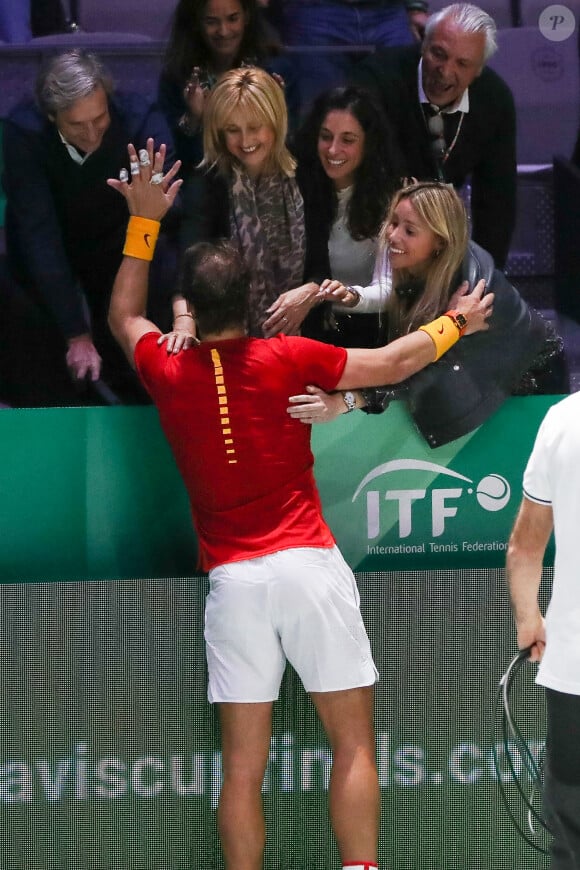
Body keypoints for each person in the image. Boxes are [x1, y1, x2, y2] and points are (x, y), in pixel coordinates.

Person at [106, 138, 492, 869]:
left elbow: (126, 313)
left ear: (187, 307)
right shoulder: (286, 358)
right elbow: (393, 361)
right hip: (309, 569)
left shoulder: (167, 365)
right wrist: (454, 324)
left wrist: (144, 222)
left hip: (236, 586)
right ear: (248, 299)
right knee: (351, 743)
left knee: (242, 770)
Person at [288, 181, 564, 448]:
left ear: (439, 242)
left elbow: (414, 367)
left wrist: (345, 402)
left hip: (532, 381)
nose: (393, 236)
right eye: (393, 223)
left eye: (410, 231)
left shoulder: (472, 297)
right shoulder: (421, 264)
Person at [0, 49, 178, 406]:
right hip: (47, 255)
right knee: (43, 361)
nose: (93, 133)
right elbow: (39, 234)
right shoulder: (22, 133)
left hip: (119, 247)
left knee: (133, 356)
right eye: (77, 125)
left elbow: (164, 208)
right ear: (51, 116)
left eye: (99, 119)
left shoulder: (140, 120)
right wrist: (74, 332)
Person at [353, 3, 516, 268]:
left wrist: (486, 278)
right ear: (423, 45)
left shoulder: (495, 100)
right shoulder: (375, 80)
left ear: (478, 70)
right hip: (371, 226)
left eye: (462, 63)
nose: (446, 71)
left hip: (437, 234)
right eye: (438, 54)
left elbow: (497, 202)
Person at [179, 66, 328, 340]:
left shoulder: (307, 171)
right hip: (229, 339)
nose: (245, 141)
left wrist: (308, 293)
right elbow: (188, 267)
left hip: (301, 334)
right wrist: (183, 325)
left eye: (255, 127)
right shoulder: (207, 181)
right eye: (233, 130)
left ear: (275, 121)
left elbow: (321, 265)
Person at [157, 0, 297, 250]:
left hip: (266, 179)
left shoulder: (275, 66)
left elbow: (291, 147)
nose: (223, 31)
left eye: (232, 18)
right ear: (197, 22)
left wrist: (275, 112)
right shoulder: (178, 75)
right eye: (212, 21)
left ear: (246, 16)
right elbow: (180, 160)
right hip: (207, 184)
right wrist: (197, 118)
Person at [507, 391, 580, 869]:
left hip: (574, 667)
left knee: (572, 835)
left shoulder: (564, 419)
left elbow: (525, 544)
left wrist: (528, 618)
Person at [292, 85, 405, 346]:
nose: (332, 150)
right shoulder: (296, 188)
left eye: (347, 140)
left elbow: (389, 291)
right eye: (326, 136)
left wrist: (350, 296)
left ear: (368, 144)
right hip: (307, 331)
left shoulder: (391, 198)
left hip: (369, 334)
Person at [268, 0, 429, 112]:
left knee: (405, 103)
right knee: (320, 110)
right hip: (315, 11)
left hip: (387, 11)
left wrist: (415, 7)